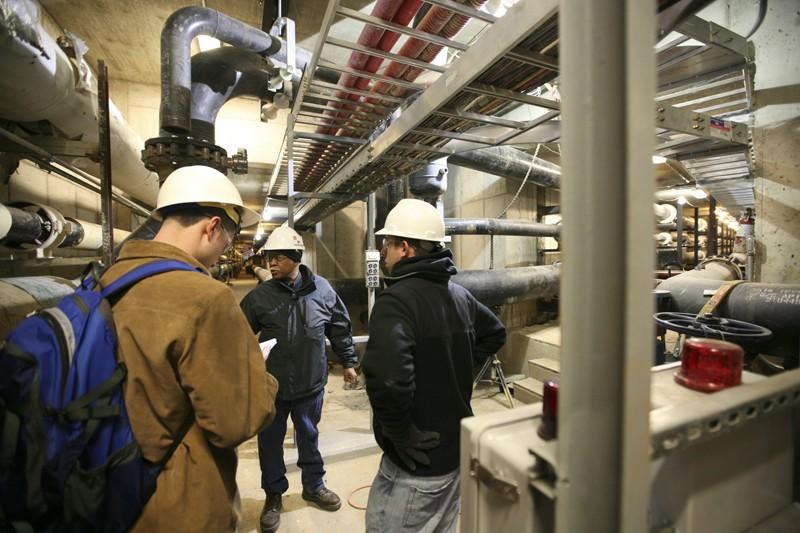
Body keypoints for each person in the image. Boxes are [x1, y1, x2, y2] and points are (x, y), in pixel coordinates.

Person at [99, 165, 279, 532]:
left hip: (110, 486)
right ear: (213, 226)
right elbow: (235, 423)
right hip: (178, 502)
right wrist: (259, 376)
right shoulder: (205, 297)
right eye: (227, 241)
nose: (222, 254)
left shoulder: (109, 280)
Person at [363, 198, 507, 532]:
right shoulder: (459, 295)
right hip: (455, 451)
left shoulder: (395, 302)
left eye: (388, 243)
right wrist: (459, 370)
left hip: (417, 462)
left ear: (407, 248)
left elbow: (388, 380)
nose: (383, 251)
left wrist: (400, 432)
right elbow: (495, 333)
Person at [240, 225, 358, 533]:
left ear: (295, 258)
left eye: (277, 258)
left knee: (309, 436)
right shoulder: (260, 298)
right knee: (269, 442)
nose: (271, 264)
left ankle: (313, 486)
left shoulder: (323, 290)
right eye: (268, 259)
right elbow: (237, 334)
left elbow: (340, 328)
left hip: (310, 383)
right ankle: (274, 496)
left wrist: (348, 362)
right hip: (273, 387)